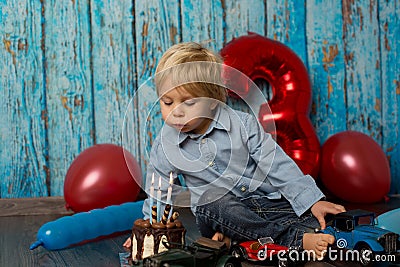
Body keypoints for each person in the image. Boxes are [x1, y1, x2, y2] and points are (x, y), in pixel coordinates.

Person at [124, 42, 345, 259]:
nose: (176, 112)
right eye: (168, 102)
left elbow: (276, 163)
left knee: (322, 222)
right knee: (212, 199)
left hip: (264, 204)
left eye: (188, 103)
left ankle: (238, 240)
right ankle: (291, 239)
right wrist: (149, 233)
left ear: (213, 101)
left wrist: (312, 200)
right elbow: (159, 189)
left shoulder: (243, 124)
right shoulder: (166, 145)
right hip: (218, 212)